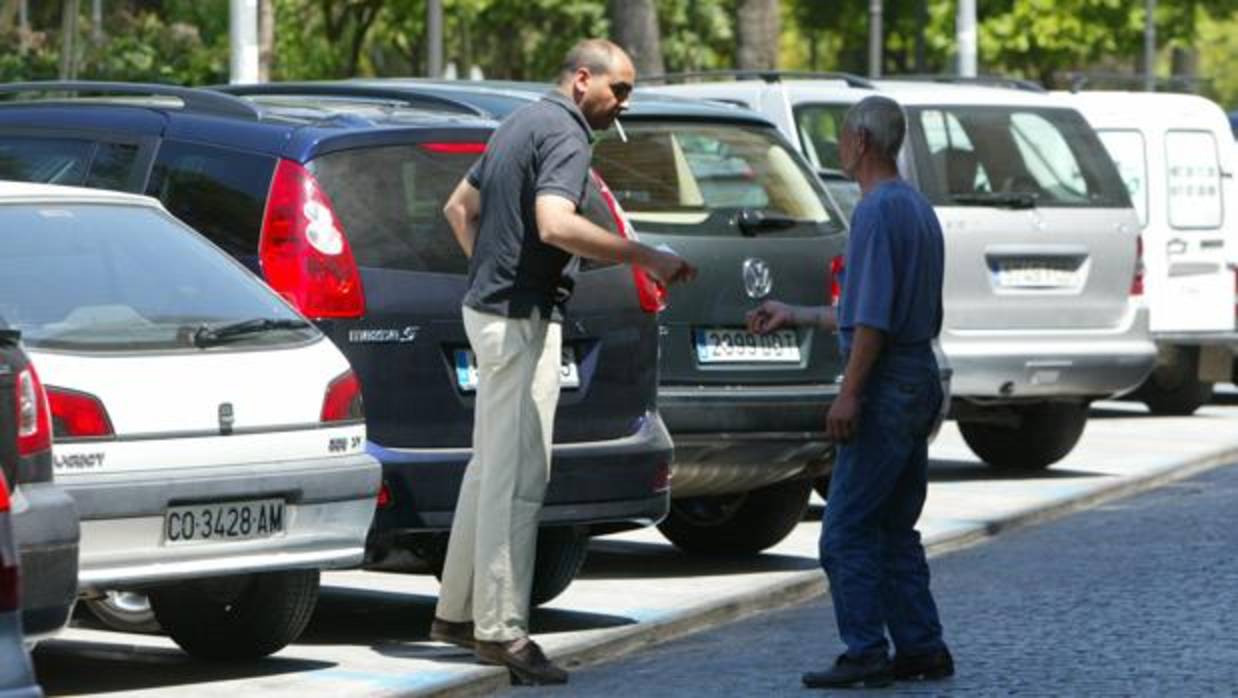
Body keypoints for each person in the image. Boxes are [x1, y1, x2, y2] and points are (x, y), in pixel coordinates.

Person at [433, 38, 696, 686]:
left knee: (489, 467)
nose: (625, 102)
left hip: (492, 312)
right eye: (621, 89)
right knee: (518, 476)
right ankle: (503, 634)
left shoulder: (518, 121)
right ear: (583, 79)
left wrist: (489, 277)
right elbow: (554, 223)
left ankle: (459, 613)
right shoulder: (569, 135)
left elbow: (458, 209)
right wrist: (644, 255)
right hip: (518, 321)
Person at [747, 96, 952, 689]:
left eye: (841, 136)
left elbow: (873, 324)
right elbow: (869, 310)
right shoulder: (915, 207)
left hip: (887, 384)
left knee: (845, 531)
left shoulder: (874, 213)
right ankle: (921, 647)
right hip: (918, 379)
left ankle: (865, 651)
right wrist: (799, 315)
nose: (838, 145)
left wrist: (849, 394)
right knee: (894, 527)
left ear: (861, 141)